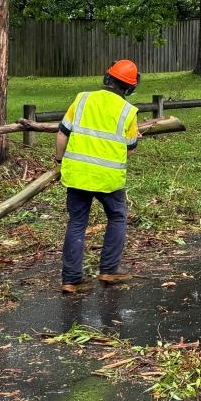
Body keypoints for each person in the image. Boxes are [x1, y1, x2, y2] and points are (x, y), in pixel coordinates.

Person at [55, 59, 142, 293]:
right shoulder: (128, 112)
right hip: (108, 178)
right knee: (117, 217)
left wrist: (59, 160)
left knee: (77, 223)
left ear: (108, 78)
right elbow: (130, 149)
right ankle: (109, 269)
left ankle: (70, 280)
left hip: (78, 175)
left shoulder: (82, 99)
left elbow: (62, 135)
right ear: (131, 87)